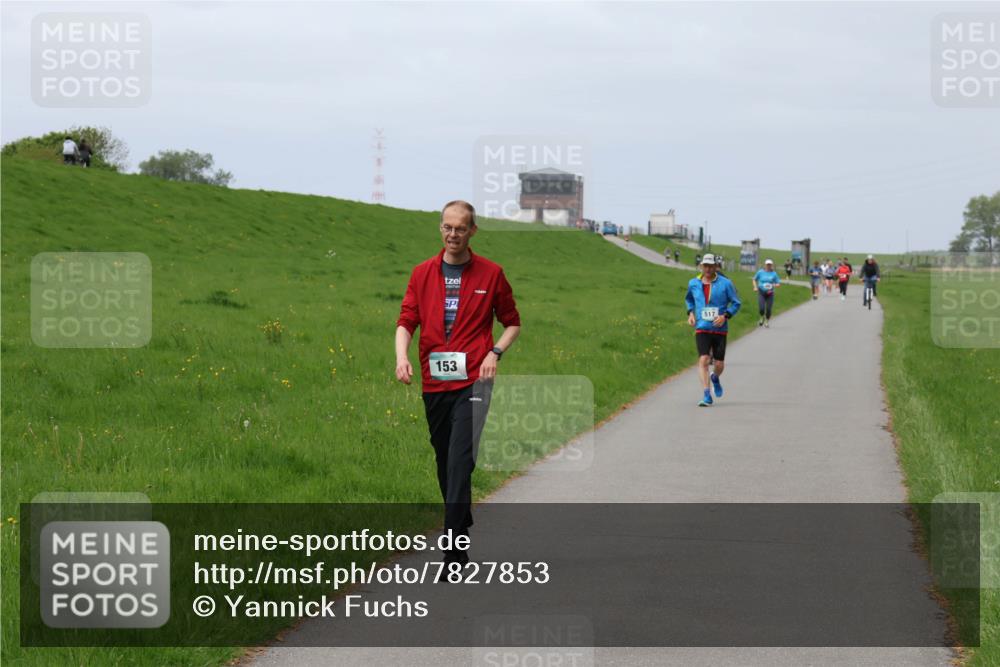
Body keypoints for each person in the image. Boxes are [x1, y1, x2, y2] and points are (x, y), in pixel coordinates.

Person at [395, 200, 521, 567]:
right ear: (440, 229)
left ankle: (453, 549)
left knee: (459, 461)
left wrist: (494, 352)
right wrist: (401, 357)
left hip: (473, 381)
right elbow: (406, 321)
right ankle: (460, 516)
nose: (453, 234)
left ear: (472, 232)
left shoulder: (491, 274)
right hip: (435, 381)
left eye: (460, 228)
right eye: (447, 227)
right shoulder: (422, 274)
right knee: (444, 457)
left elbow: (512, 322)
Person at [686, 254, 741, 407]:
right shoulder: (693, 283)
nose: (708, 269)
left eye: (711, 266)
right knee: (703, 359)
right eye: (705, 266)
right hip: (702, 328)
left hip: (719, 329)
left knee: (719, 364)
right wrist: (690, 313)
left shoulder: (726, 283)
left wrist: (725, 316)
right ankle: (706, 394)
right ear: (701, 266)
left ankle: (715, 377)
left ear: (716, 267)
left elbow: (736, 303)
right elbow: (689, 299)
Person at [752, 259, 781, 327]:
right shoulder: (760, 272)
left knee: (768, 309)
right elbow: (754, 279)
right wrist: (755, 287)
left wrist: (774, 285)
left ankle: (767, 321)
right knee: (761, 308)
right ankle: (761, 318)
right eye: (767, 264)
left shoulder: (774, 273)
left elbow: (778, 283)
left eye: (770, 265)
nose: (768, 266)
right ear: (765, 265)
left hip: (770, 293)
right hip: (761, 292)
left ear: (772, 265)